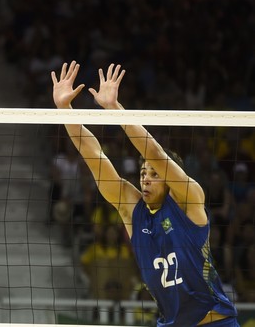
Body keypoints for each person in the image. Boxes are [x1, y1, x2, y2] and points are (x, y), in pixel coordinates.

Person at [51, 61, 239, 327]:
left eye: (154, 174)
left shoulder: (189, 199)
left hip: (214, 323)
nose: (145, 179)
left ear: (171, 179)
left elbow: (155, 153)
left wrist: (115, 109)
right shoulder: (132, 210)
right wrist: (64, 110)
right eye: (142, 174)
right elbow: (92, 155)